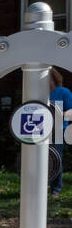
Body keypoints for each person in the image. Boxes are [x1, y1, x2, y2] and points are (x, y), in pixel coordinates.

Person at [49, 67, 72, 196]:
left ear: (52, 78)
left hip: (58, 130)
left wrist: (57, 113)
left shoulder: (63, 92)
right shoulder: (37, 92)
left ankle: (55, 190)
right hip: (39, 130)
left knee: (55, 159)